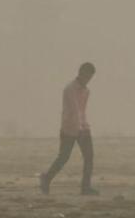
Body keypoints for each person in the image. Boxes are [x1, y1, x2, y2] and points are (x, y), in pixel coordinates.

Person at [40, 62, 98, 196]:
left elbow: (82, 111)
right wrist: (79, 128)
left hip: (82, 127)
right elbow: (74, 110)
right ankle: (46, 178)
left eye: (91, 77)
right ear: (81, 73)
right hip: (69, 128)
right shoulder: (69, 89)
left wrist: (85, 126)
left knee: (89, 157)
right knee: (63, 157)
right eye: (88, 76)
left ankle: (85, 187)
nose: (89, 80)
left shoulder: (86, 91)